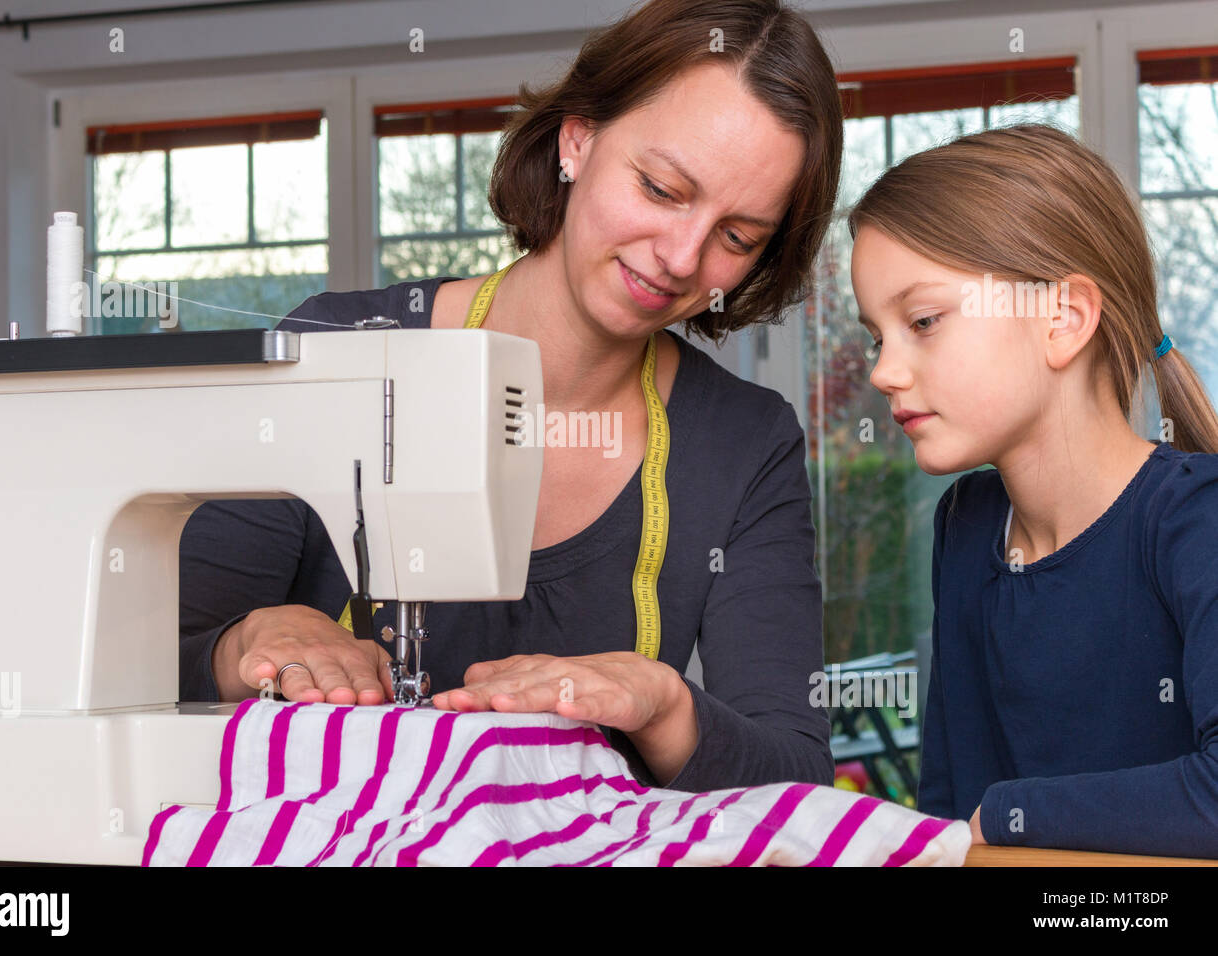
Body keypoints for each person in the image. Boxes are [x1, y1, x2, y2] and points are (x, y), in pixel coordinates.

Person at [180, 0, 843, 792]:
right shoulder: (337, 355)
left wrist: (666, 706)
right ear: (577, 139)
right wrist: (250, 637)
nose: (680, 256)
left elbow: (791, 773)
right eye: (662, 188)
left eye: (737, 237)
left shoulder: (743, 442)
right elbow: (150, 664)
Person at [849, 123, 1218, 857]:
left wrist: (1009, 814)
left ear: (1064, 318)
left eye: (922, 321)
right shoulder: (966, 526)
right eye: (876, 336)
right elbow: (948, 806)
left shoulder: (1195, 519)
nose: (882, 371)